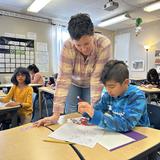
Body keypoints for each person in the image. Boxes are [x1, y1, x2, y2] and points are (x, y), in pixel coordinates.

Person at [34, 13, 111, 126]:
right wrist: (55, 115)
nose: (83, 49)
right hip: (73, 82)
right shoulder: (67, 46)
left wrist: (95, 112)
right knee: (70, 112)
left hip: (91, 83)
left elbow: (97, 79)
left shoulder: (104, 44)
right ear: (72, 40)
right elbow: (64, 79)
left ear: (93, 33)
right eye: (78, 45)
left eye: (87, 43)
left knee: (88, 112)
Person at [78, 60, 150, 132]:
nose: (108, 90)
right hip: (119, 133)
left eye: (112, 86)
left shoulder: (136, 97)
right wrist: (86, 111)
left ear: (126, 82)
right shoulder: (109, 95)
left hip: (139, 134)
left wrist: (94, 114)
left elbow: (126, 124)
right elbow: (97, 110)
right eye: (105, 86)